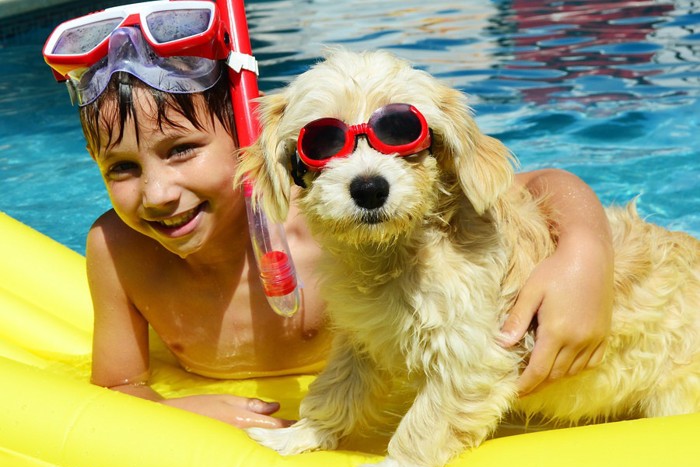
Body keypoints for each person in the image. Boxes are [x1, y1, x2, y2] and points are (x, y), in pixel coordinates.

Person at [43, 3, 613, 430]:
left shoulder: (327, 216)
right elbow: (118, 385)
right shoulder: (117, 251)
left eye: (181, 150)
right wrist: (181, 416)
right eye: (120, 168)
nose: (158, 192)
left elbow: (536, 184)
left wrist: (585, 254)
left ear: (257, 141)